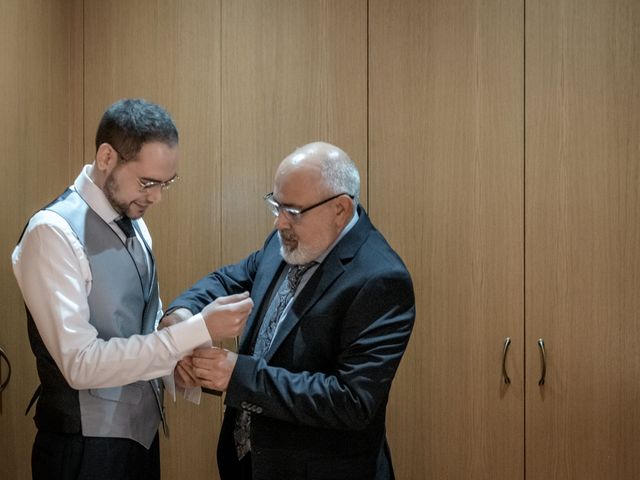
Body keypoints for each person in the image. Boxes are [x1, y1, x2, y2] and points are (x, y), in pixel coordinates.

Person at [11, 98, 253, 480]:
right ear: (107, 157)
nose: (157, 197)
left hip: (141, 436)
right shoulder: (52, 232)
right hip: (83, 448)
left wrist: (176, 363)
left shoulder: (134, 219)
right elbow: (80, 363)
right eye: (148, 182)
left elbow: (142, 320)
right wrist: (200, 328)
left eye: (165, 183)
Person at [164, 141, 415, 480]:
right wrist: (182, 318)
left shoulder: (381, 278)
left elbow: (353, 401)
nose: (279, 223)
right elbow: (228, 279)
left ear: (340, 209)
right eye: (276, 205)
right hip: (248, 463)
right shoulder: (287, 242)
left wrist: (237, 375)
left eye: (293, 212)